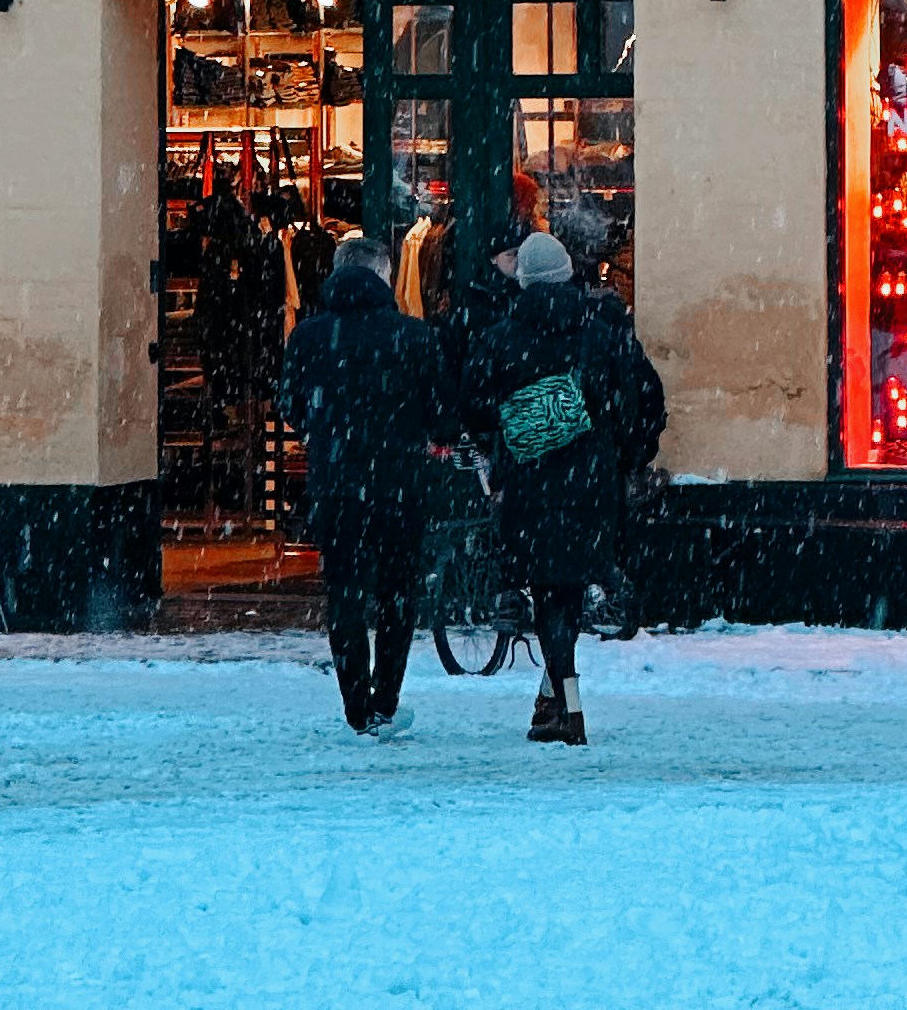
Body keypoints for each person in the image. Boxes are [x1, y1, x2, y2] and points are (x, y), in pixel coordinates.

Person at [462, 229, 665, 747]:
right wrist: (625, 455)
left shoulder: (502, 336)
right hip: (590, 484)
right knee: (566, 593)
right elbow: (647, 395)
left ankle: (565, 709)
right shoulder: (600, 330)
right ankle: (557, 699)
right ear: (568, 275)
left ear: (524, 279)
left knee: (548, 593)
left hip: (530, 484)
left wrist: (519, 424)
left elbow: (475, 404)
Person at [278, 232, 450, 736]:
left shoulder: (309, 337)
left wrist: (328, 429)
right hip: (399, 485)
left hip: (337, 483)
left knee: (346, 593)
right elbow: (441, 417)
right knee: (398, 593)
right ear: (383, 275)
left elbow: (291, 407)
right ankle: (385, 698)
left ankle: (356, 702)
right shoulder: (414, 337)